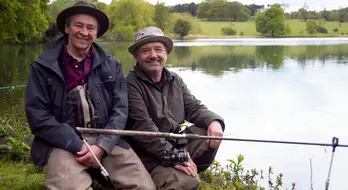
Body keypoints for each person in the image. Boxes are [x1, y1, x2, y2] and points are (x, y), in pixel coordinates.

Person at [24, 1, 155, 189]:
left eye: (90, 28)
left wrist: (102, 146)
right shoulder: (42, 66)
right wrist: (77, 145)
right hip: (64, 142)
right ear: (67, 28)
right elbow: (38, 116)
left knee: (144, 187)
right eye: (78, 25)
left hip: (107, 139)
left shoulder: (113, 65)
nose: (84, 32)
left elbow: (121, 109)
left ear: (96, 32)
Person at [125, 26, 226, 190]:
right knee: (189, 183)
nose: (153, 55)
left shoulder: (175, 79)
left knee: (209, 135)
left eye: (158, 49)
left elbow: (194, 107)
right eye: (145, 51)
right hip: (147, 153)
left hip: (175, 142)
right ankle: (172, 174)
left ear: (166, 53)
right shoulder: (129, 83)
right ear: (136, 55)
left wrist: (214, 121)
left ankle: (188, 169)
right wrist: (174, 156)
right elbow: (143, 129)